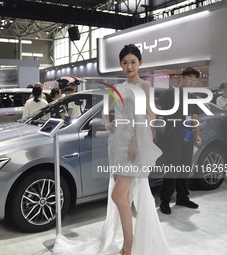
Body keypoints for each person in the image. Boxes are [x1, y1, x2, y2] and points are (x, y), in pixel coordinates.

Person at [53, 44, 172, 255]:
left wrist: (137, 138)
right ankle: (128, 244)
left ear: (140, 63)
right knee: (122, 197)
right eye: (125, 62)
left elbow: (151, 116)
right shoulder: (119, 87)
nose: (129, 66)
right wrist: (107, 121)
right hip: (117, 143)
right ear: (120, 64)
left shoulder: (145, 86)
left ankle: (130, 246)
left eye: (133, 62)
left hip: (135, 143)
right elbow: (108, 107)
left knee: (118, 196)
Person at [156, 67, 202, 214]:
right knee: (172, 169)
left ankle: (182, 197)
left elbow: (194, 117)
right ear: (182, 78)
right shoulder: (170, 92)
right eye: (189, 78)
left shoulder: (193, 97)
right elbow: (156, 108)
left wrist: (197, 135)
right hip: (173, 135)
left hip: (187, 136)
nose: (191, 81)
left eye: (194, 79)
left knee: (185, 167)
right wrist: (153, 126)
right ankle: (165, 200)